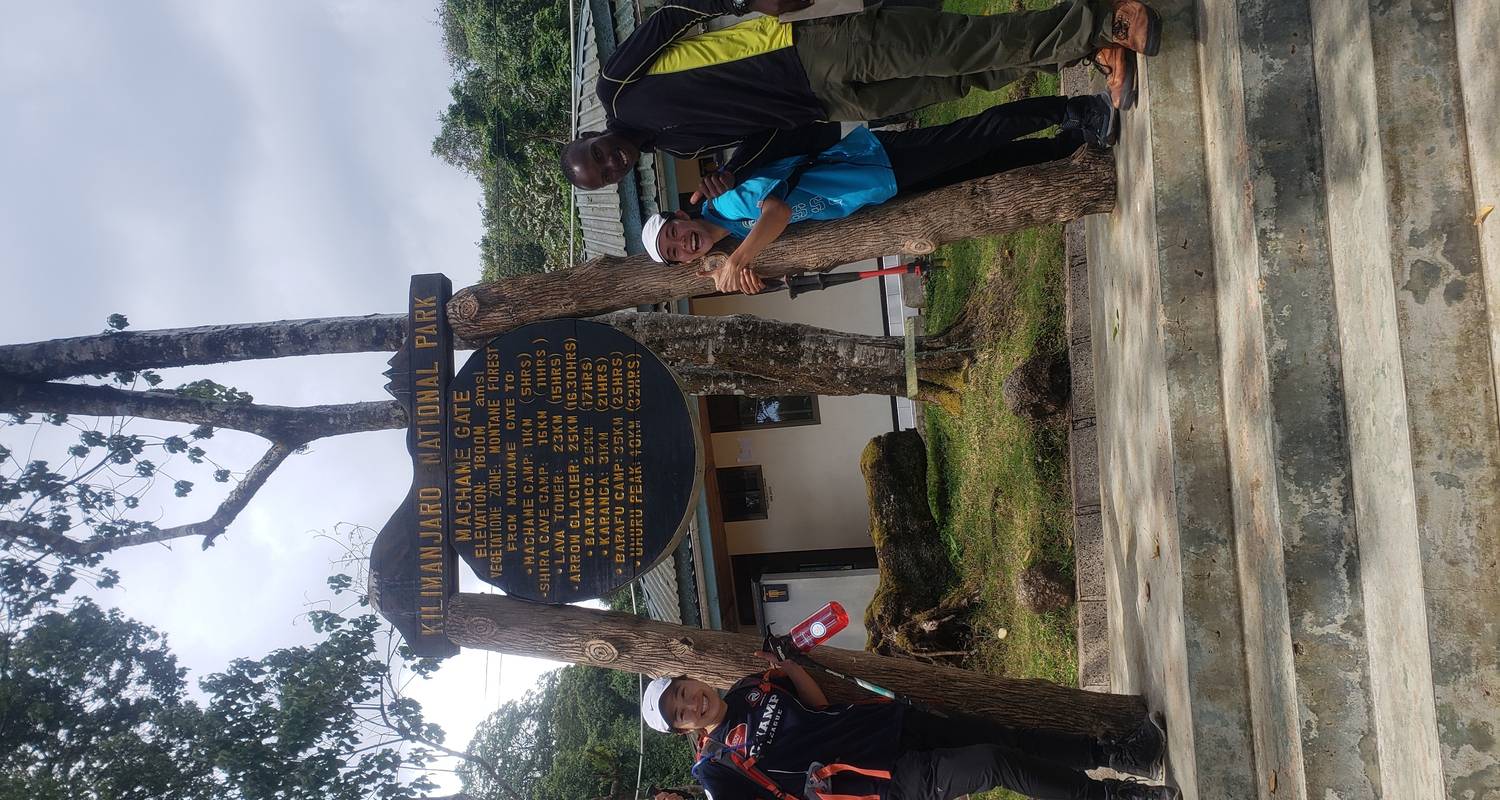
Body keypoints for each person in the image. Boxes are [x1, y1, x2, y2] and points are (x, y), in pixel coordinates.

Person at [562, 0, 1160, 193]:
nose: (612, 162)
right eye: (606, 173)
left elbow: (672, 15)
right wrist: (736, 172)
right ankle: (1089, 48)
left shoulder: (617, 86)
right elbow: (765, 133)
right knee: (961, 80)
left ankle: (1108, 18)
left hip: (809, 52)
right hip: (828, 106)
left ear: (592, 135)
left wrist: (749, 9)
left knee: (959, 46)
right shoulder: (676, 147)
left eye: (599, 155)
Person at [640, 93, 1114, 293]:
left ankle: (1074, 108)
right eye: (674, 253)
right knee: (983, 168)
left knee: (974, 135)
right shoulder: (726, 234)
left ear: (680, 218)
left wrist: (741, 259)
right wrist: (744, 266)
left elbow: (778, 210)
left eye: (673, 234)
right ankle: (1066, 144)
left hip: (874, 161)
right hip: (879, 194)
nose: (682, 245)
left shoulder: (725, 201)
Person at [640, 649, 1179, 800]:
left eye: (684, 693)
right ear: (684, 730)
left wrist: (790, 666)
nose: (691, 704)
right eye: (680, 713)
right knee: (992, 764)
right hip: (881, 781)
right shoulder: (717, 767)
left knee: (1003, 737)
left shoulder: (746, 689)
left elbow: (818, 705)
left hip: (890, 725)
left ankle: (1120, 755)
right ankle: (1116, 799)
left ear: (693, 681)